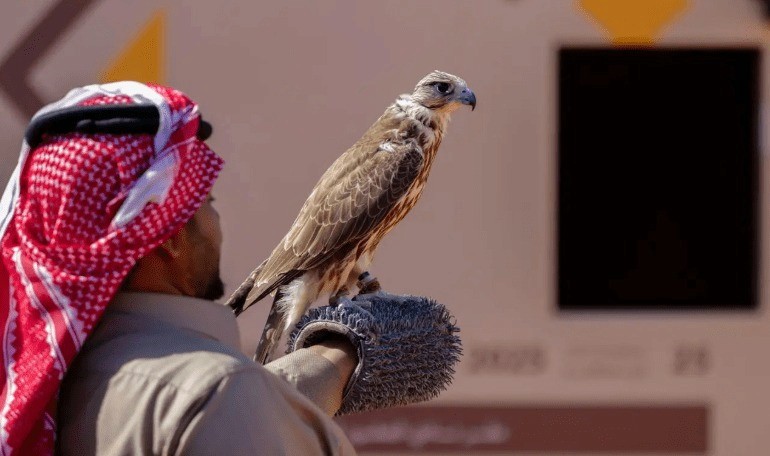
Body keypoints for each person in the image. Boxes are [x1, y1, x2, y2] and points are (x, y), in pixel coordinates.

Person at [0, 82, 359, 455]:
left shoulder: (32, 387)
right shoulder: (218, 396)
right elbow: (212, 408)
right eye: (207, 202)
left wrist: (338, 360)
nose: (216, 221)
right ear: (168, 236)